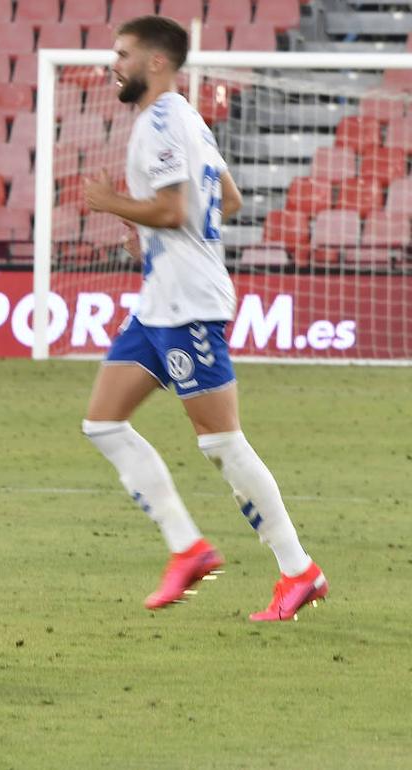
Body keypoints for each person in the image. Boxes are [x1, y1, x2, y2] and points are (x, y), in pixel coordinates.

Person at [81, 16, 326, 621]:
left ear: (156, 63)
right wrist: (153, 229)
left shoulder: (165, 119)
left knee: (221, 443)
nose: (114, 63)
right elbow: (229, 198)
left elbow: (173, 207)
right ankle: (187, 548)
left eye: (124, 54)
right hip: (160, 300)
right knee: (103, 424)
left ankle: (299, 570)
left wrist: (115, 204)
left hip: (188, 304)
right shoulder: (186, 118)